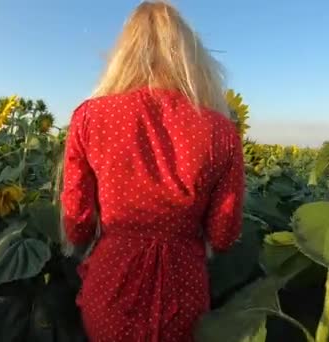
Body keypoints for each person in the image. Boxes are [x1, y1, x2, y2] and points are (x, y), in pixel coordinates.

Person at [60, 1, 245, 341]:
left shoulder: (90, 117)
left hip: (111, 282)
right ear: (190, 57)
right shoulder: (221, 130)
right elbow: (224, 234)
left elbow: (78, 226)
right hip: (184, 286)